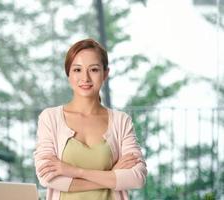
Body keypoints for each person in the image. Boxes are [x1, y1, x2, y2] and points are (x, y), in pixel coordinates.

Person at [34, 38, 147, 200]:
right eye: (77, 70)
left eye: (93, 70)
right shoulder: (50, 118)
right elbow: (47, 177)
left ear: (105, 73)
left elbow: (136, 177)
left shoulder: (121, 121)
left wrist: (75, 172)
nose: (85, 78)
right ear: (68, 74)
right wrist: (111, 175)